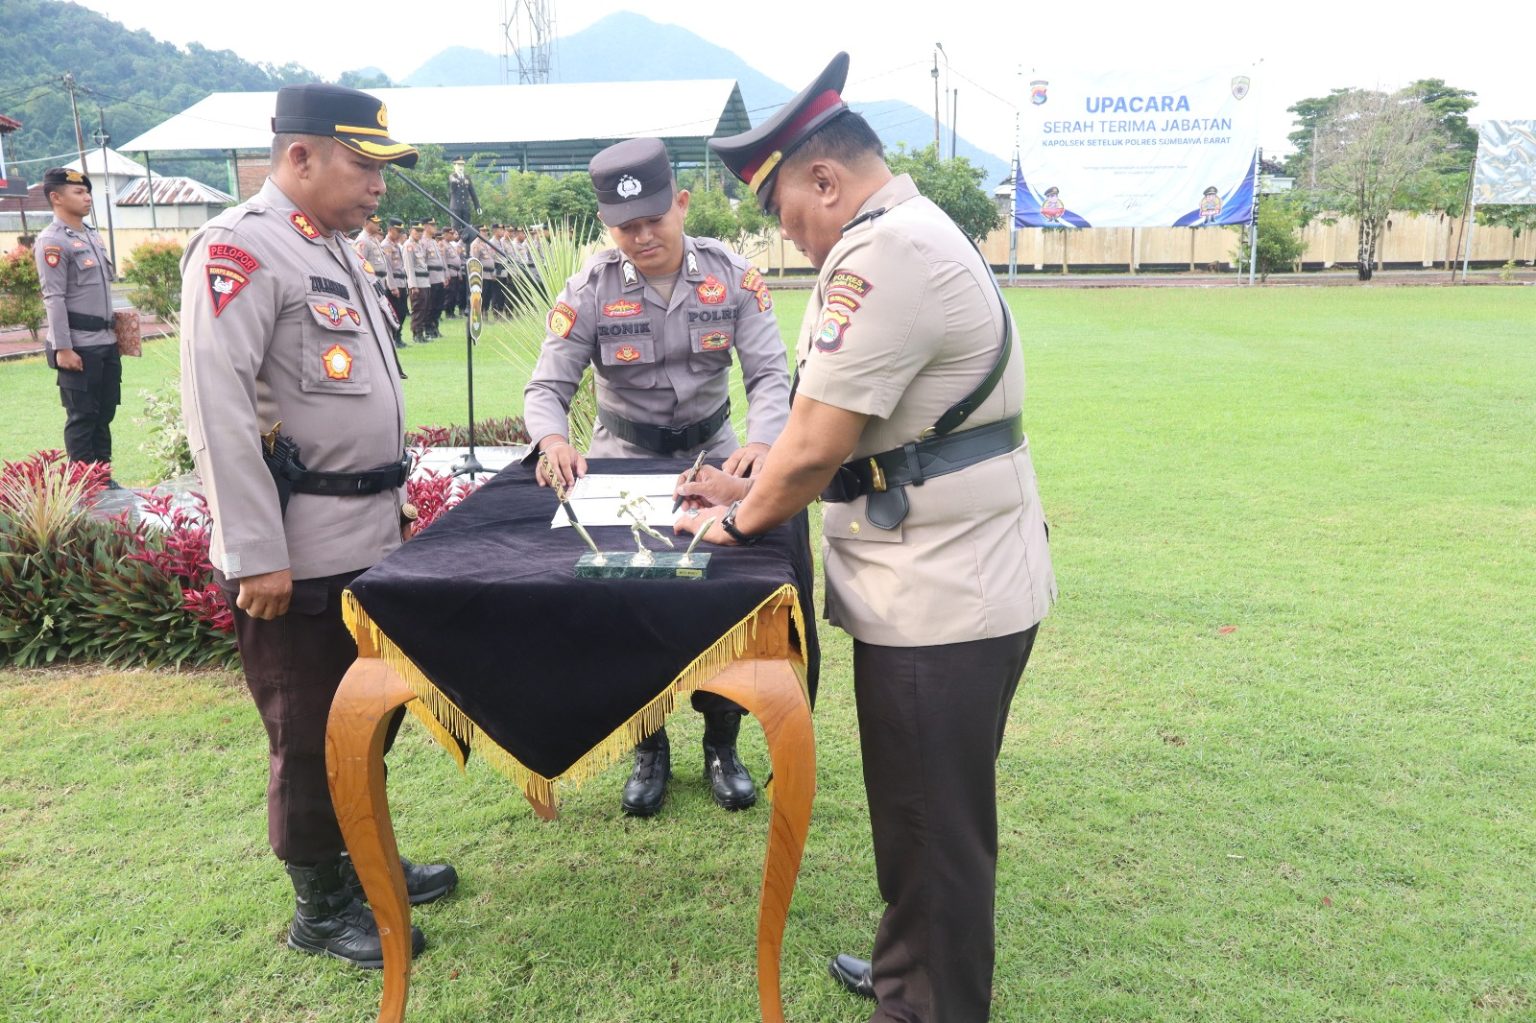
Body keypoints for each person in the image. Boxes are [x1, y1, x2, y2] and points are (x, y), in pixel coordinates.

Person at [680, 53, 1056, 1022]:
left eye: (783, 212)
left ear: (824, 180)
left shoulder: (883, 254)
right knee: (925, 813)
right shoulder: (911, 232)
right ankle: (912, 963)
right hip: (951, 574)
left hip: (943, 594)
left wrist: (735, 517)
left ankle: (924, 1001)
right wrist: (750, 478)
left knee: (932, 825)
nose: (787, 233)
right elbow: (852, 430)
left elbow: (814, 448)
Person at [178, 82, 458, 970]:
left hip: (367, 538)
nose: (379, 184)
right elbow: (218, 409)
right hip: (296, 553)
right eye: (364, 164)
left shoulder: (334, 250)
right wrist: (255, 551)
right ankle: (321, 905)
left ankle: (365, 857)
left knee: (368, 717)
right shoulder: (241, 248)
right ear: (299, 156)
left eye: (382, 168)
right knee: (307, 732)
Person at [523, 136, 793, 818]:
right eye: (625, 227)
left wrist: (763, 443)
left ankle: (722, 744)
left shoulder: (732, 277)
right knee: (627, 609)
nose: (642, 236)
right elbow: (546, 387)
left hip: (715, 462)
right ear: (605, 225)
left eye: (653, 219)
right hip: (623, 465)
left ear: (682, 203)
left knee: (724, 604)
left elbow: (769, 375)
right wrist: (552, 439)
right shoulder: (590, 289)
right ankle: (648, 747)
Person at [34, 167, 121, 486]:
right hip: (78, 345)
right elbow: (53, 297)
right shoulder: (53, 241)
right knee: (82, 416)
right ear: (56, 198)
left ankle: (103, 479)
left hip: (105, 341)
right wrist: (63, 348)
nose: (87, 198)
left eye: (88, 192)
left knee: (104, 414)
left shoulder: (91, 235)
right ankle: (84, 485)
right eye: (79, 192)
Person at [380, 217, 410, 344]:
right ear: (390, 229)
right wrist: (392, 287)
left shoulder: (396, 246)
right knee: (395, 312)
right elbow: (387, 268)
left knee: (402, 312)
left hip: (401, 282)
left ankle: (398, 336)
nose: (400, 234)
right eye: (398, 231)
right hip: (394, 285)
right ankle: (393, 337)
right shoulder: (385, 246)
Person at [403, 222, 432, 342]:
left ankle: (421, 333)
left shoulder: (419, 245)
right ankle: (416, 334)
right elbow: (409, 267)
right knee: (418, 309)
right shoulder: (408, 246)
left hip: (425, 281)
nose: (419, 233)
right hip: (417, 283)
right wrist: (413, 285)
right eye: (417, 231)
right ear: (411, 231)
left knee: (425, 308)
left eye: (421, 231)